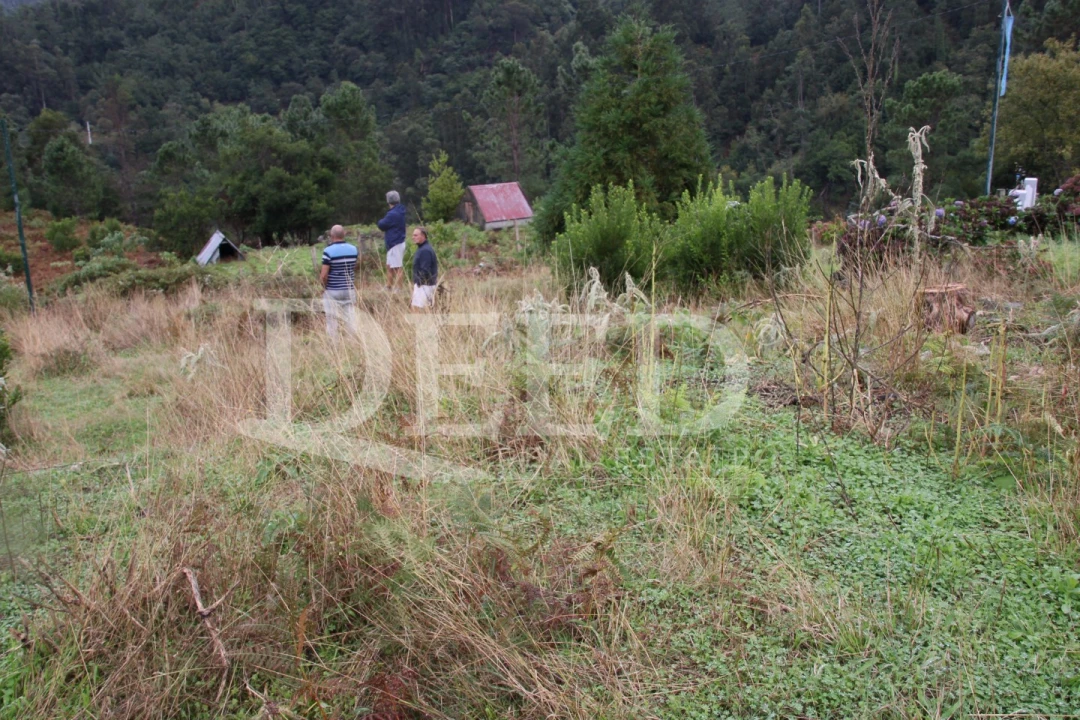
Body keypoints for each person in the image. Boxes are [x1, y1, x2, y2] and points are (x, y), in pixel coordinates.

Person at [320, 225, 358, 339]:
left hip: (333, 289)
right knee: (350, 319)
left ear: (331, 236)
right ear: (344, 234)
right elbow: (353, 267)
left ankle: (334, 344)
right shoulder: (354, 249)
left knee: (332, 321)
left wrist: (324, 287)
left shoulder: (328, 251)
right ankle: (352, 342)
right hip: (349, 289)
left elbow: (324, 275)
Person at [376, 190, 407, 292]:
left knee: (397, 267)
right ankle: (388, 286)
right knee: (389, 266)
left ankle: (398, 288)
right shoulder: (400, 211)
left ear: (388, 201)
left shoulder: (393, 214)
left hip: (395, 242)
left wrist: (380, 221)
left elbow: (382, 225)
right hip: (395, 243)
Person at [410, 227, 438, 310]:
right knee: (421, 309)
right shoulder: (423, 249)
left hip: (424, 286)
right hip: (424, 285)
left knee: (417, 310)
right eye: (413, 235)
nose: (413, 237)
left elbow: (425, 270)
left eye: (416, 235)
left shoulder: (425, 251)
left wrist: (419, 282)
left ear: (423, 236)